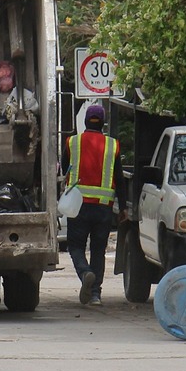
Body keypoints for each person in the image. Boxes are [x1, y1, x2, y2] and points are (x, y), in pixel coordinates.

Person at [62, 103, 124, 306]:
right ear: (103, 122)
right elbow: (120, 179)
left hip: (77, 205)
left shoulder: (73, 142)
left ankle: (85, 273)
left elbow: (64, 169)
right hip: (103, 208)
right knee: (98, 249)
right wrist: (122, 208)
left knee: (76, 246)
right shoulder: (113, 145)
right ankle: (95, 293)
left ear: (86, 121)